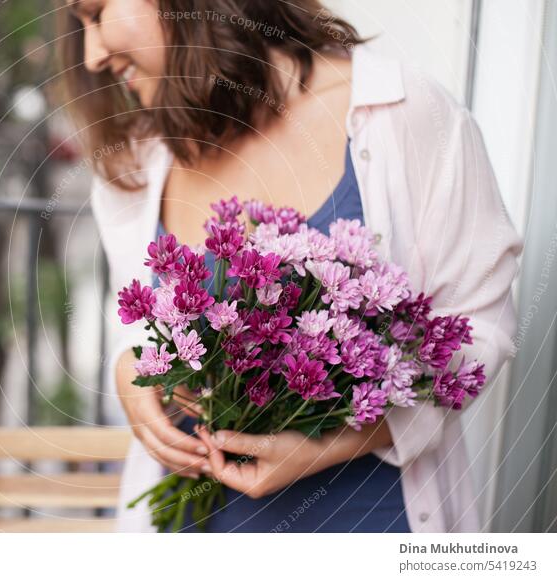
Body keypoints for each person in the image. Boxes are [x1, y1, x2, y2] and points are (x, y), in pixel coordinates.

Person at [57, 0, 523, 532]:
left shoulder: (405, 115)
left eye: (96, 13)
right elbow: (134, 328)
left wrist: (332, 442)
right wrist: (129, 369)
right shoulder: (135, 164)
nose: (91, 55)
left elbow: (480, 331)